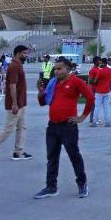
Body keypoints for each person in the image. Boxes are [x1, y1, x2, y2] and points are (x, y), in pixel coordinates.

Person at [34, 57, 94, 199]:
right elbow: (43, 102)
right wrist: (41, 91)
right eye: (55, 68)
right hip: (53, 126)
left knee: (74, 156)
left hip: (68, 126)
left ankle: (82, 183)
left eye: (59, 68)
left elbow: (90, 98)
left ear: (68, 69)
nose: (56, 71)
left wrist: (82, 117)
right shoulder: (53, 84)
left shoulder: (76, 82)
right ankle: (51, 187)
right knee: (52, 157)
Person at [0, 45, 32, 164]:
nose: (26, 55)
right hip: (15, 104)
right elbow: (12, 85)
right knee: (8, 129)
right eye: (24, 53)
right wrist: (14, 104)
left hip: (21, 103)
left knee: (22, 127)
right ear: (18, 53)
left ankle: (19, 152)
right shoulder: (14, 66)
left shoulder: (18, 65)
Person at [89, 58, 111, 127]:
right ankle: (108, 122)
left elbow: (95, 81)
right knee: (106, 107)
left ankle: (94, 122)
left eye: (101, 62)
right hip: (107, 90)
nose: (100, 64)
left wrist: (94, 82)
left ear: (103, 63)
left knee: (97, 107)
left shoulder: (100, 71)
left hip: (99, 91)